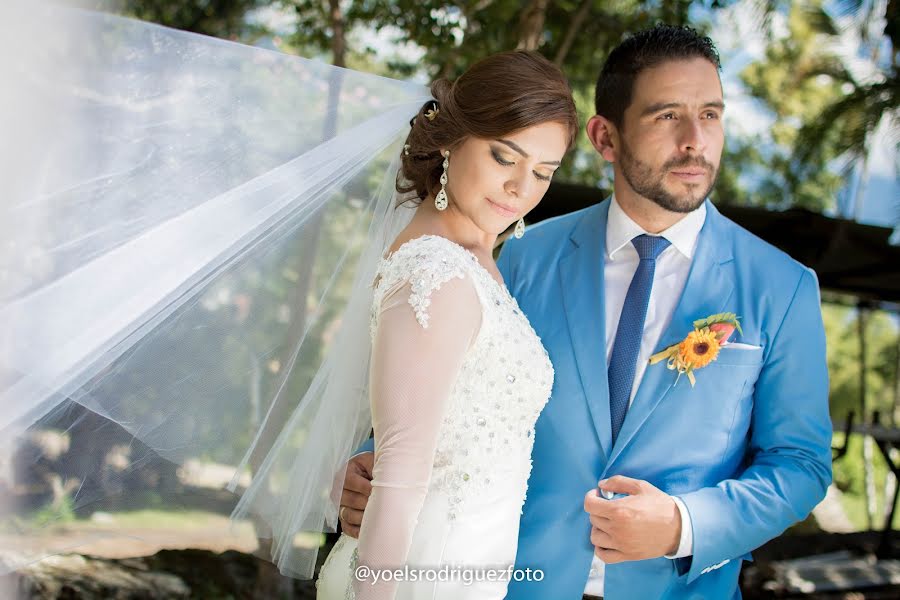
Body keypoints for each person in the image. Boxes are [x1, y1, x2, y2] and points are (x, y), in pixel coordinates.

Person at [339, 25, 832, 600]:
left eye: (712, 114)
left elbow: (800, 464)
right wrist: (365, 467)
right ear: (605, 137)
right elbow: (432, 387)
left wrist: (685, 525)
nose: (696, 140)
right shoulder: (523, 252)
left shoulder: (784, 287)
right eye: (667, 115)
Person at [314, 50, 578, 600]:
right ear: (451, 140)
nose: (521, 189)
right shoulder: (437, 272)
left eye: (543, 172)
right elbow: (402, 471)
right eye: (505, 157)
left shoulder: (475, 258)